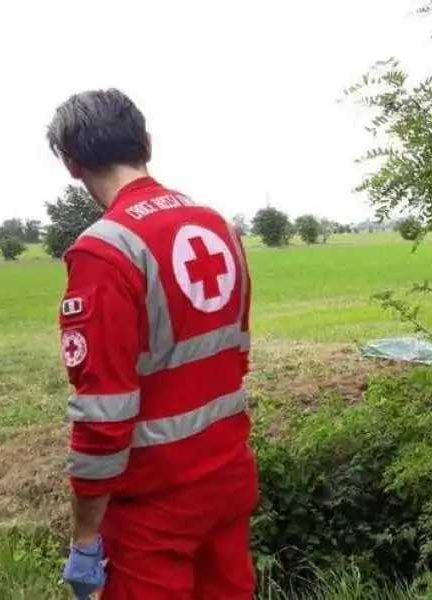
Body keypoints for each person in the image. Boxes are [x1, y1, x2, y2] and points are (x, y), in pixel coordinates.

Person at [46, 88, 258, 599]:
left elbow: (103, 417)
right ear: (146, 143)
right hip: (229, 480)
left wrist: (85, 537)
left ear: (73, 166)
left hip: (154, 509)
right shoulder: (219, 227)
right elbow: (235, 357)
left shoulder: (104, 251)